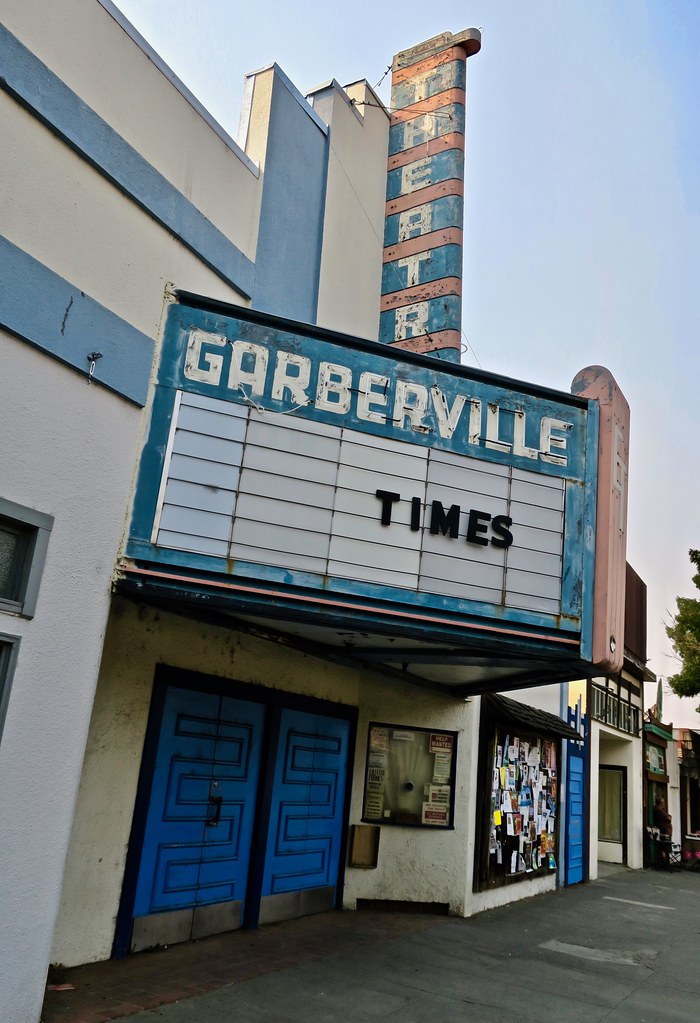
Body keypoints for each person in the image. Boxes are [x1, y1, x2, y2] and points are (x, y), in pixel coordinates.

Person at [653, 797, 673, 867]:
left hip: (666, 831)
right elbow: (668, 817)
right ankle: (664, 861)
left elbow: (669, 817)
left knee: (664, 847)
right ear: (661, 803)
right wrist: (669, 817)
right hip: (664, 832)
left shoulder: (661, 810)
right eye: (663, 802)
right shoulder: (658, 810)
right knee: (664, 847)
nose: (664, 804)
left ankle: (664, 861)